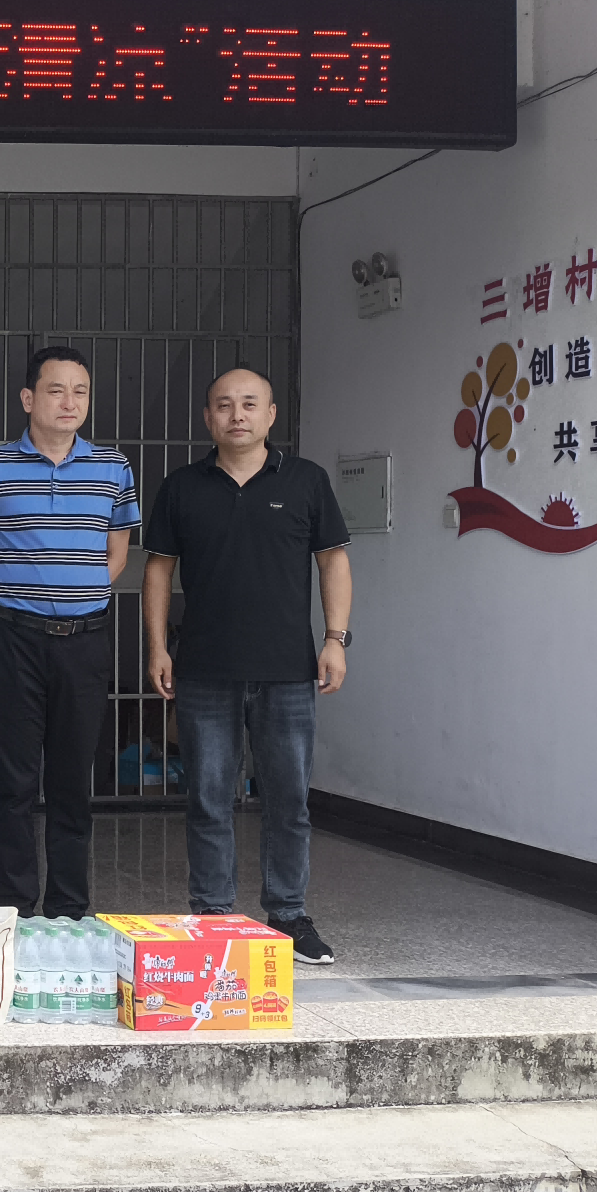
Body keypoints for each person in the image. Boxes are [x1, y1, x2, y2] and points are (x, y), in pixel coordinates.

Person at [142, 366, 352, 965]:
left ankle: (288, 914)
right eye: (225, 405)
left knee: (288, 800)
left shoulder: (307, 481)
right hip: (204, 669)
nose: (238, 415)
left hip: (287, 670)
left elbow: (333, 561)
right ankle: (213, 914)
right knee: (208, 798)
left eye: (250, 404)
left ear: (271, 414)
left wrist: (335, 639)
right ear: (208, 417)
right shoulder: (182, 487)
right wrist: (158, 648)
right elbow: (158, 570)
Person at [0, 346, 140, 921]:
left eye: (80, 391)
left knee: (72, 780)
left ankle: (68, 909)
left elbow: (116, 554)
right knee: (13, 782)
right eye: (56, 390)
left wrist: (74, 598)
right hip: (13, 638)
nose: (69, 402)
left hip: (84, 642)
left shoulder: (113, 468)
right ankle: (16, 906)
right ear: (28, 398)